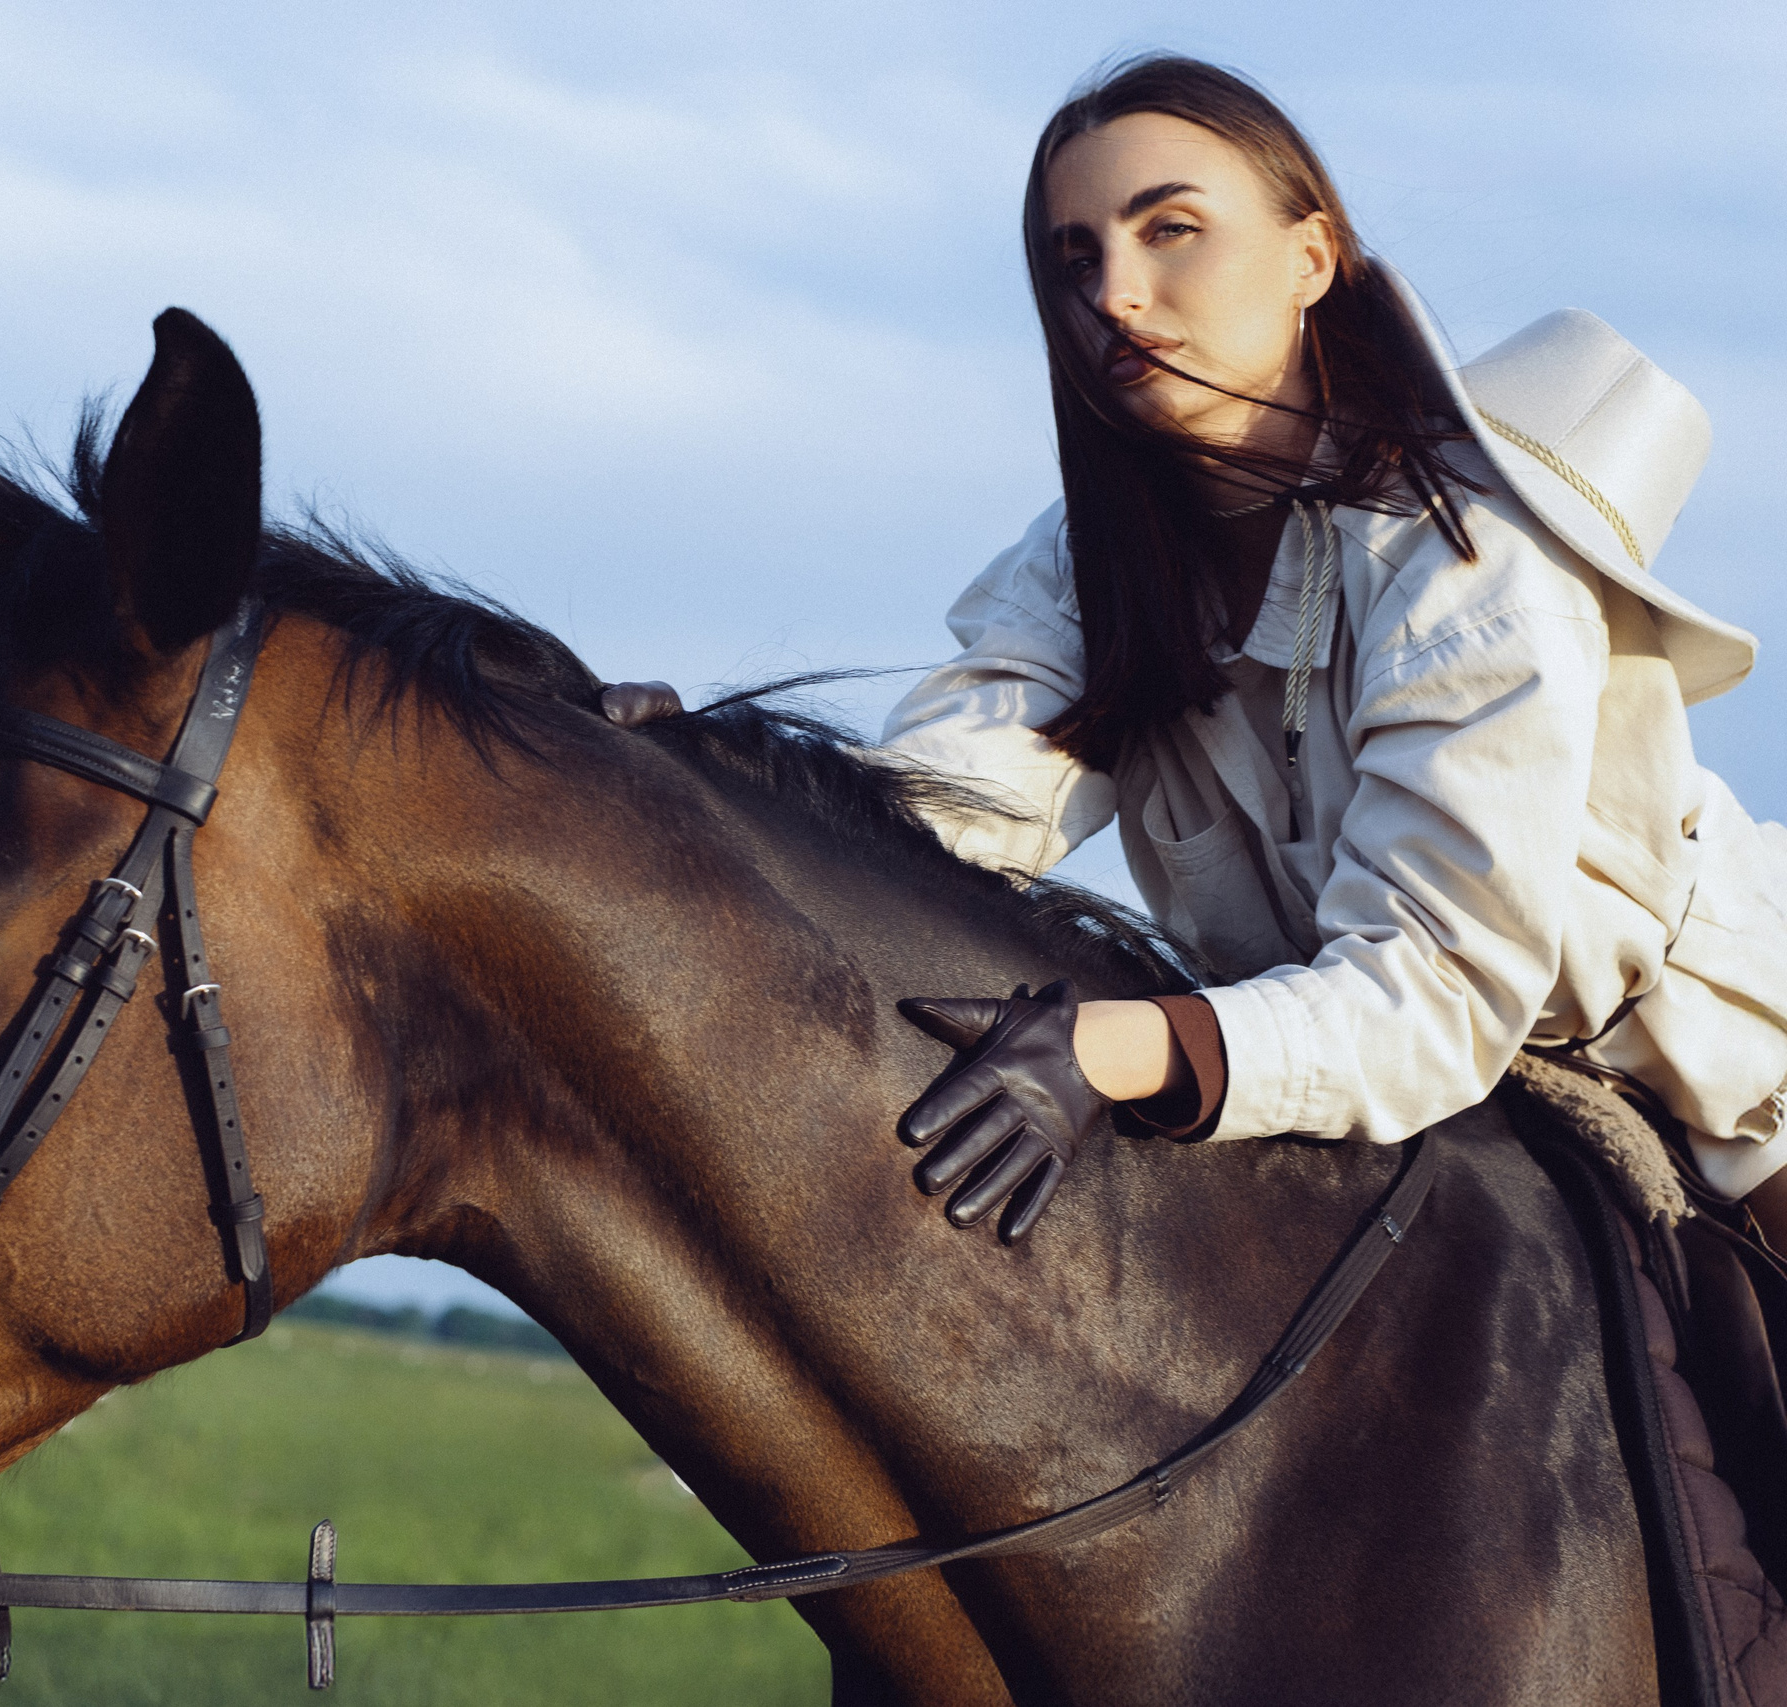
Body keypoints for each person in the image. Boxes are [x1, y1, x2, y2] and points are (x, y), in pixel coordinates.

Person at [612, 55, 1787, 1243]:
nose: (1114, 295)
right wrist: (708, 792)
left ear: (1310, 259)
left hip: (1731, 1100)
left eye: (1169, 229)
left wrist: (1118, 1043)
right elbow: (943, 802)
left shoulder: (1467, 562)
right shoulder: (1093, 559)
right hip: (1397, 1101)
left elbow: (1435, 987)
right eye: (1076, 258)